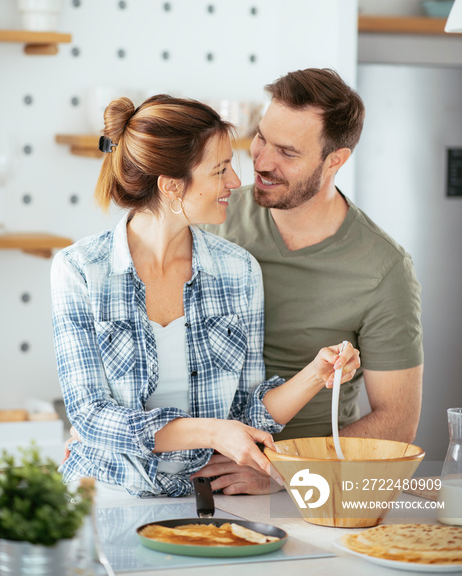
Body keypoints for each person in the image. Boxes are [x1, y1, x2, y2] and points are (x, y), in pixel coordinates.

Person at [51, 93, 360, 497]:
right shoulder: (80, 270)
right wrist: (214, 433)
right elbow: (91, 416)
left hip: (206, 499)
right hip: (105, 493)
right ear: (172, 186)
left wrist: (315, 376)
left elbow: (249, 413)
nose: (235, 182)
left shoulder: (238, 270)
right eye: (220, 170)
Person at [196, 68, 423, 495]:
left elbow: (397, 420)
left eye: (288, 152)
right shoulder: (213, 218)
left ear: (335, 159)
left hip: (307, 493)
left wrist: (285, 472)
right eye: (261, 137)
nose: (261, 161)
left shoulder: (383, 267)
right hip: (193, 472)